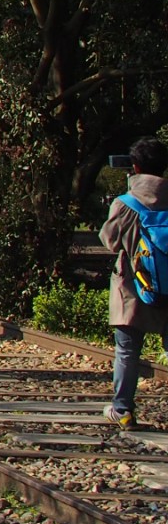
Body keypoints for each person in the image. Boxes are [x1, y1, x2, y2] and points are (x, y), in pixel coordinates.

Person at [102, 136, 168, 427]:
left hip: (133, 287)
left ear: (135, 166)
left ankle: (123, 409)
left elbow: (110, 241)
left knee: (128, 350)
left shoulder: (126, 203)